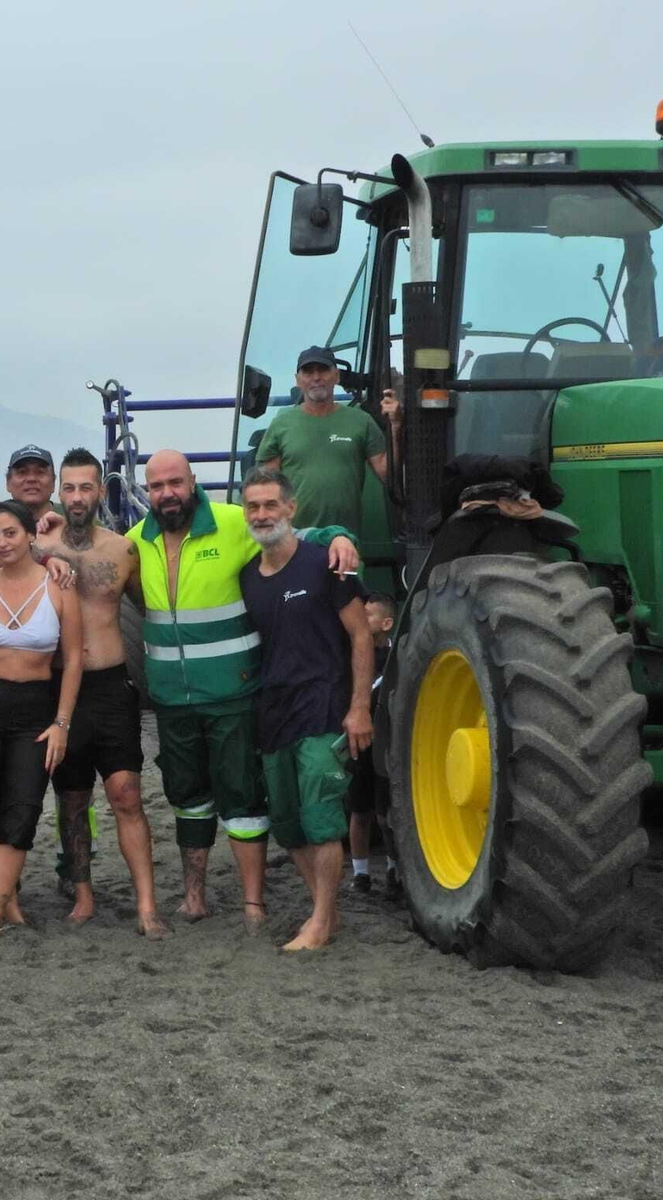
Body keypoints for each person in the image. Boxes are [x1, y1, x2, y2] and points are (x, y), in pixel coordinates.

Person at [130, 450, 358, 934]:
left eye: (176, 482)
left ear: (193, 482)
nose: (168, 493)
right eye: (157, 486)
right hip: (172, 696)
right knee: (186, 797)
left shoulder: (235, 521)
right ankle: (194, 897)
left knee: (244, 799)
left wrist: (341, 536)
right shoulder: (135, 541)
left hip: (233, 692)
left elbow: (297, 534)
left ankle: (255, 904)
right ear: (146, 491)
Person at [33, 448, 167, 937]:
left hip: (112, 686)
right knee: (72, 799)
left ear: (100, 492)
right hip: (60, 688)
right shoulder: (37, 548)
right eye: (68, 488)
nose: (76, 497)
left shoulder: (122, 550)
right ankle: (83, 896)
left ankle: (147, 904)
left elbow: (153, 608)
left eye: (85, 488)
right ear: (58, 491)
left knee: (126, 794)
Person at [239, 468, 374, 951]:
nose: (262, 515)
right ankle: (327, 912)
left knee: (321, 820)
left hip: (323, 707)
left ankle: (318, 924)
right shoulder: (247, 577)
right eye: (253, 506)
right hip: (274, 711)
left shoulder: (326, 563)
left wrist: (360, 708)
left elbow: (361, 635)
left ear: (291, 508)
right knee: (289, 825)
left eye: (270, 505)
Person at [0, 501, 84, 937]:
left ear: (30, 534)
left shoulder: (60, 585)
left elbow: (73, 660)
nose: (2, 542)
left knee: (24, 809)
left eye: (10, 532)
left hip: (35, 709)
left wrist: (62, 723)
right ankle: (4, 909)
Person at [256, 347, 390, 535]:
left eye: (323, 370)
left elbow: (387, 474)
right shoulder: (281, 424)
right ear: (297, 380)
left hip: (344, 539)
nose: (316, 377)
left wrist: (396, 425)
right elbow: (265, 486)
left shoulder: (362, 421)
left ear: (336, 376)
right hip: (295, 540)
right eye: (308, 372)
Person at [346, 592, 397, 895]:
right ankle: (361, 874)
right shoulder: (352, 653)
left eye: (368, 615)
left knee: (386, 813)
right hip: (360, 745)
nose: (361, 619)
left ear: (387, 623)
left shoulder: (397, 658)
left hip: (387, 744)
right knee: (359, 810)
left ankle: (394, 869)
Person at [0, 445, 64, 557]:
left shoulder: (70, 520)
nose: (31, 479)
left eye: (40, 472)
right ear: (8, 483)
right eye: (22, 472)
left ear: (54, 483)